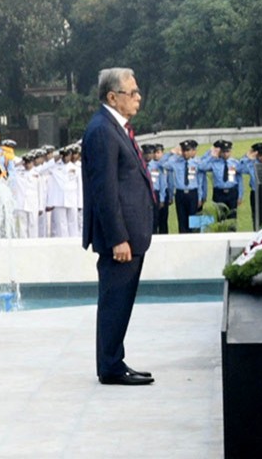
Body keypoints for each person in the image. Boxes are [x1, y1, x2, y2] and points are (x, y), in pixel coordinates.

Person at [81, 67, 154, 386]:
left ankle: (115, 360)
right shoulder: (102, 130)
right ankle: (110, 366)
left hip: (131, 234)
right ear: (113, 97)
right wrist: (118, 238)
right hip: (120, 239)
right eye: (132, 92)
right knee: (114, 301)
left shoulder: (115, 128)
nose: (138, 98)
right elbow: (105, 190)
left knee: (121, 301)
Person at [161, 140, 206, 234]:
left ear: (192, 151)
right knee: (182, 220)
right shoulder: (176, 162)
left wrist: (200, 196)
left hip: (193, 193)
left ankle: (195, 241)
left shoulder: (197, 162)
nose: (185, 153)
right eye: (184, 150)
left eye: (188, 150)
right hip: (180, 193)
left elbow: (200, 180)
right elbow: (162, 163)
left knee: (194, 221)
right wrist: (171, 153)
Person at [199, 140, 243, 221]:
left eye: (227, 151)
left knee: (232, 218)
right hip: (219, 193)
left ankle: (232, 233)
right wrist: (211, 154)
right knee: (219, 218)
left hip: (232, 192)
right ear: (220, 152)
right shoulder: (214, 162)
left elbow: (240, 179)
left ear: (231, 151)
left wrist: (240, 195)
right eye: (223, 152)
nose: (225, 154)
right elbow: (201, 167)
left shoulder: (235, 163)